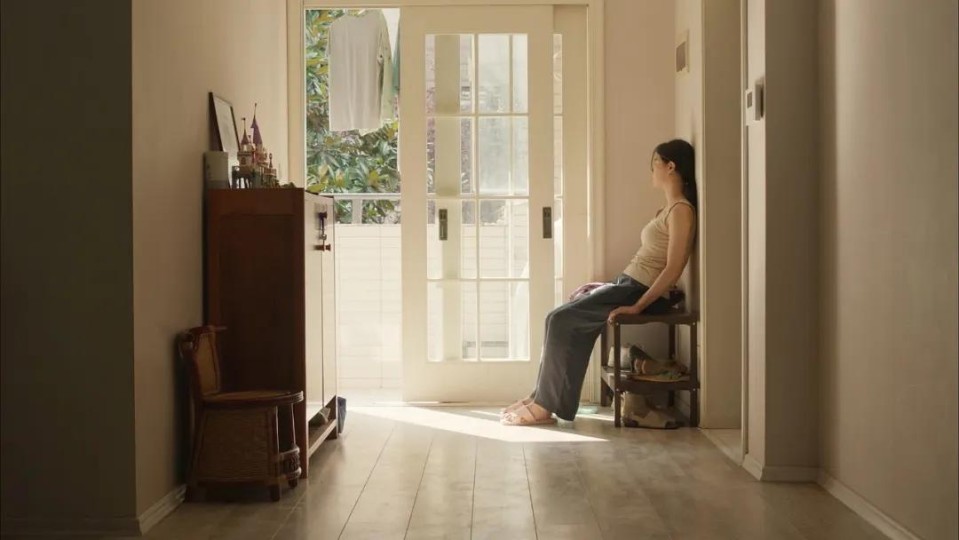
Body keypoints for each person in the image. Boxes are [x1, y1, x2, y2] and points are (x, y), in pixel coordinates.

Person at [500, 139, 698, 426]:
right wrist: (606, 287)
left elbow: (674, 268)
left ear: (671, 167)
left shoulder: (681, 210)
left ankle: (545, 406)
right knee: (557, 318)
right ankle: (541, 398)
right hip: (629, 285)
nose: (651, 169)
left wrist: (637, 306)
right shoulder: (667, 209)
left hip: (641, 291)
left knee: (561, 320)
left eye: (655, 162)